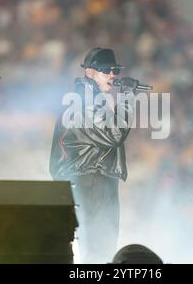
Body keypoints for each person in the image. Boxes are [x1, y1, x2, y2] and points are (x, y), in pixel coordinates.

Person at [50, 47, 138, 263]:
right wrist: (127, 97)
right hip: (91, 179)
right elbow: (114, 133)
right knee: (98, 250)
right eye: (106, 70)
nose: (113, 75)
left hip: (92, 178)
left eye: (115, 70)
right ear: (89, 73)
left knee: (100, 250)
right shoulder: (85, 101)